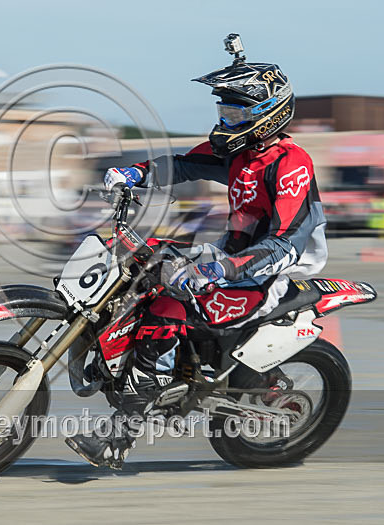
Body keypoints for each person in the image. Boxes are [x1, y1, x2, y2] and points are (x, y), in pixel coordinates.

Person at [66, 35, 327, 469]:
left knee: (167, 307)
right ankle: (113, 356)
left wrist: (219, 270)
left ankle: (121, 434)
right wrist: (135, 172)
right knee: (144, 263)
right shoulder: (241, 151)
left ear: (268, 114)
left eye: (235, 114)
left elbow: (285, 242)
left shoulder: (289, 164)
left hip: (271, 270)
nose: (226, 121)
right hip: (232, 254)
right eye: (224, 112)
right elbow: (185, 164)